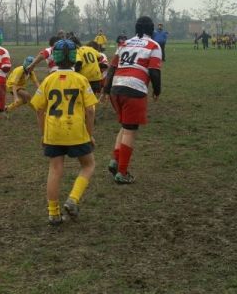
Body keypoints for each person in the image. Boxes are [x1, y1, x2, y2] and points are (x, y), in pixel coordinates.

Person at [30, 39, 97, 226]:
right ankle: (73, 199)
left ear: (55, 59)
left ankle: (53, 213)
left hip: (53, 132)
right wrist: (89, 134)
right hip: (76, 130)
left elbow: (38, 109)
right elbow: (91, 110)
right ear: (75, 58)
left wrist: (43, 134)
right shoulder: (81, 80)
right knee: (88, 165)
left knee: (55, 169)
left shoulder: (48, 80)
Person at [102, 16, 162, 184]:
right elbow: (155, 72)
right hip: (134, 88)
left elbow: (112, 67)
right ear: (151, 30)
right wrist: (157, 91)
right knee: (130, 130)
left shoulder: (124, 43)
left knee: (125, 126)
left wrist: (106, 90)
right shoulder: (153, 46)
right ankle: (122, 172)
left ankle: (115, 161)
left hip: (116, 88)